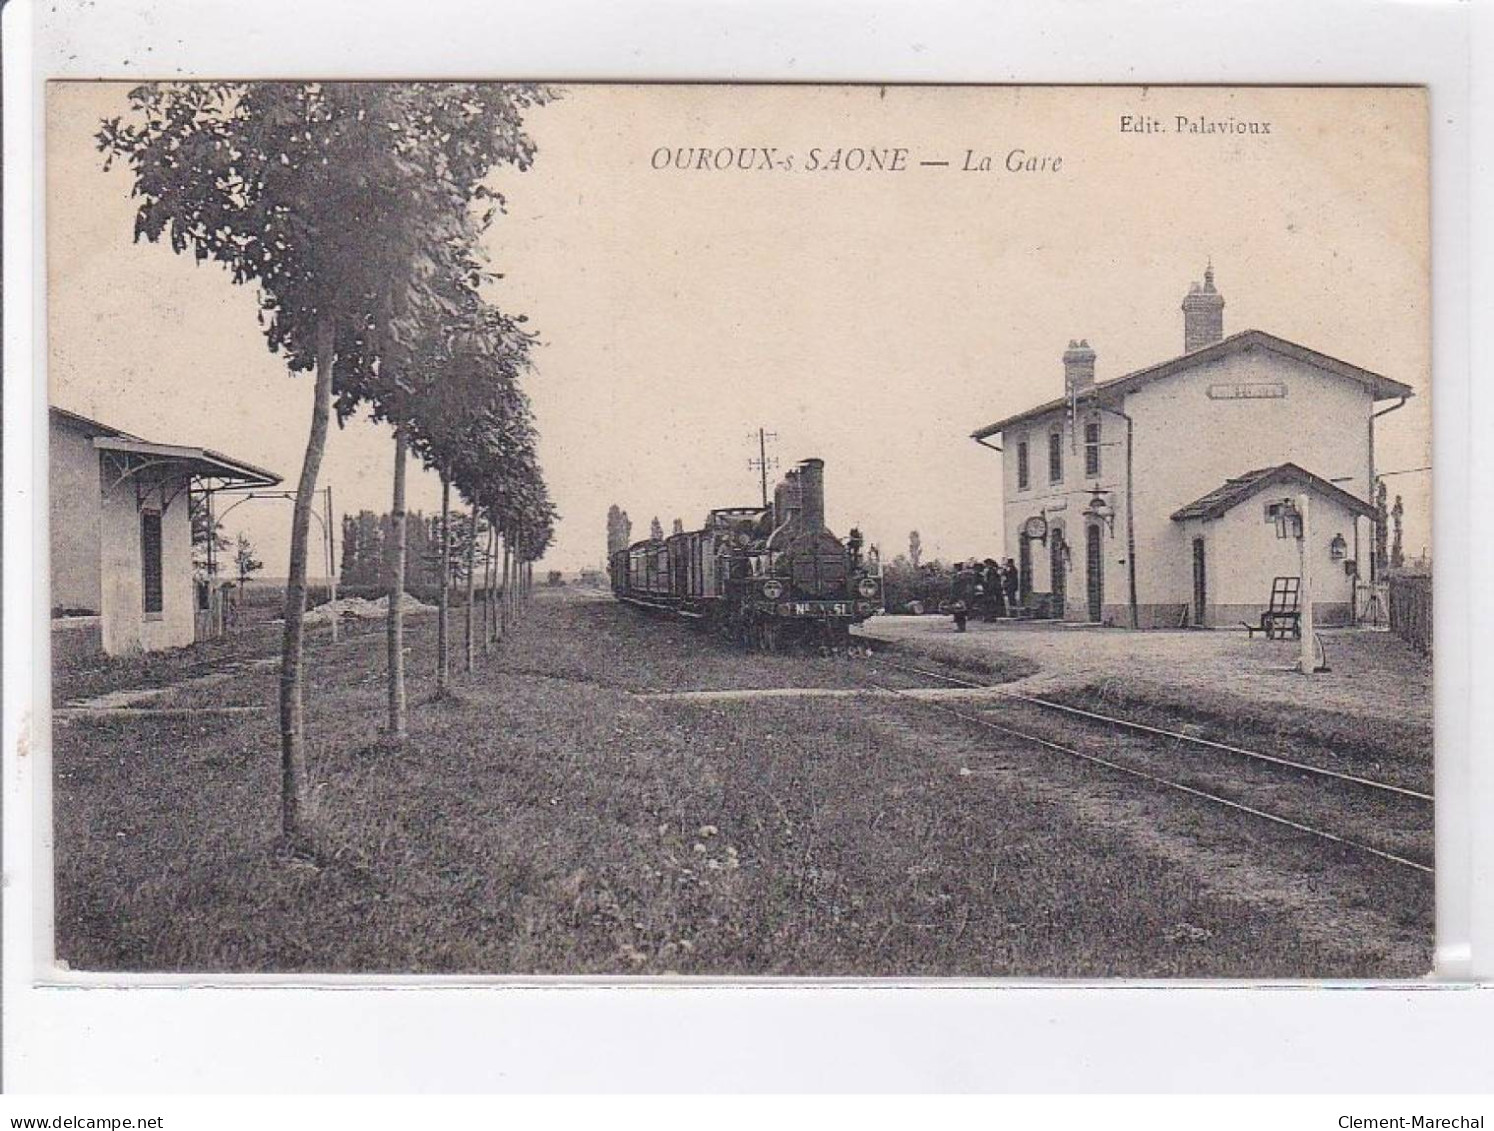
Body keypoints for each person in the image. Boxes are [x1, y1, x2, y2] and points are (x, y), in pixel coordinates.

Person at [950, 560, 978, 632]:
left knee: (959, 612)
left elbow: (955, 588)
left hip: (959, 596)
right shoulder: (964, 576)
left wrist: (953, 597)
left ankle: (961, 628)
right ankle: (961, 627)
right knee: (960, 612)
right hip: (963, 596)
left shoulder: (958, 577)